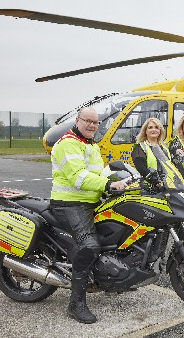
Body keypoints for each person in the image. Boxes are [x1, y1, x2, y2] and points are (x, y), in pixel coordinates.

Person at [50, 107, 127, 324]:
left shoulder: (90, 145)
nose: (92, 125)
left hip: (89, 203)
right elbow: (78, 177)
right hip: (70, 204)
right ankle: (76, 304)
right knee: (90, 246)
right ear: (78, 120)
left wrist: (129, 177)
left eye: (96, 122)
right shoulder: (68, 143)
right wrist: (110, 184)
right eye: (88, 121)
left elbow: (99, 172)